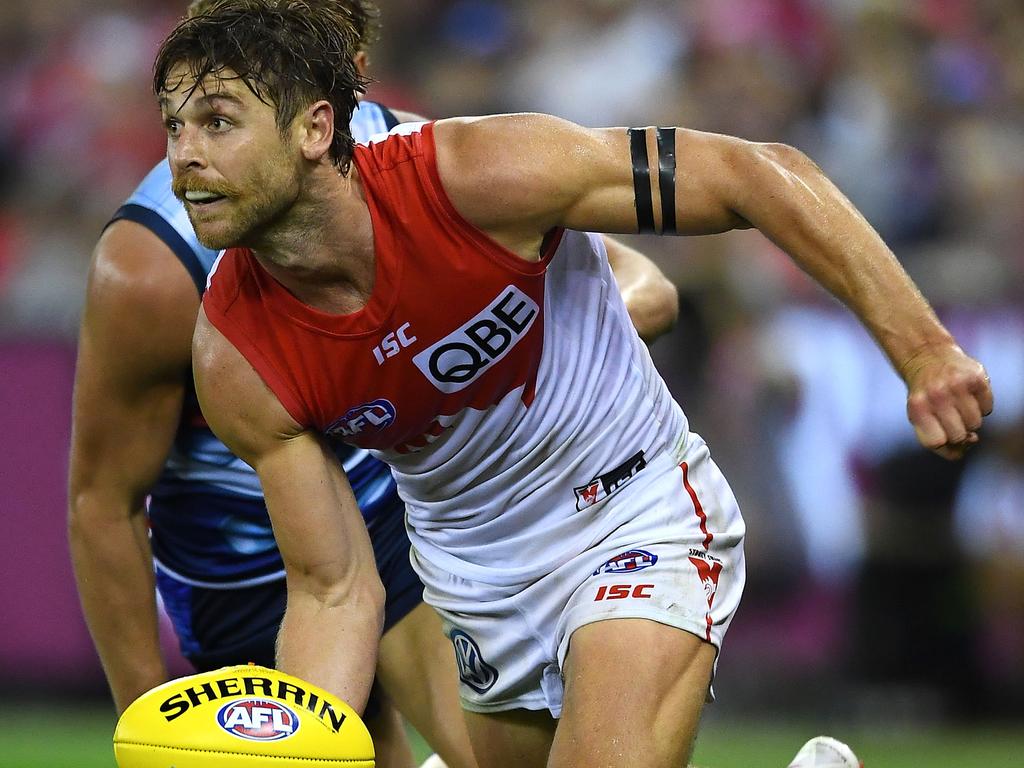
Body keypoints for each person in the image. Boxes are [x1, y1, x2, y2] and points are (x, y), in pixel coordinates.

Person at [154, 2, 993, 767]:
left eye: (218, 123)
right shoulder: (235, 356)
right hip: (474, 579)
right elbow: (333, 590)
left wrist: (923, 353)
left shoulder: (476, 175)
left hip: (633, 510)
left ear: (313, 130)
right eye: (174, 127)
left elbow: (754, 173)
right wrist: (300, 744)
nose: (185, 156)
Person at [68, 3, 679, 767]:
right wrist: (141, 714)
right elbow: (103, 499)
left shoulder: (413, 150)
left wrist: (503, 349)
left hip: (386, 513)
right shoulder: (153, 266)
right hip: (239, 569)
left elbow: (640, 283)